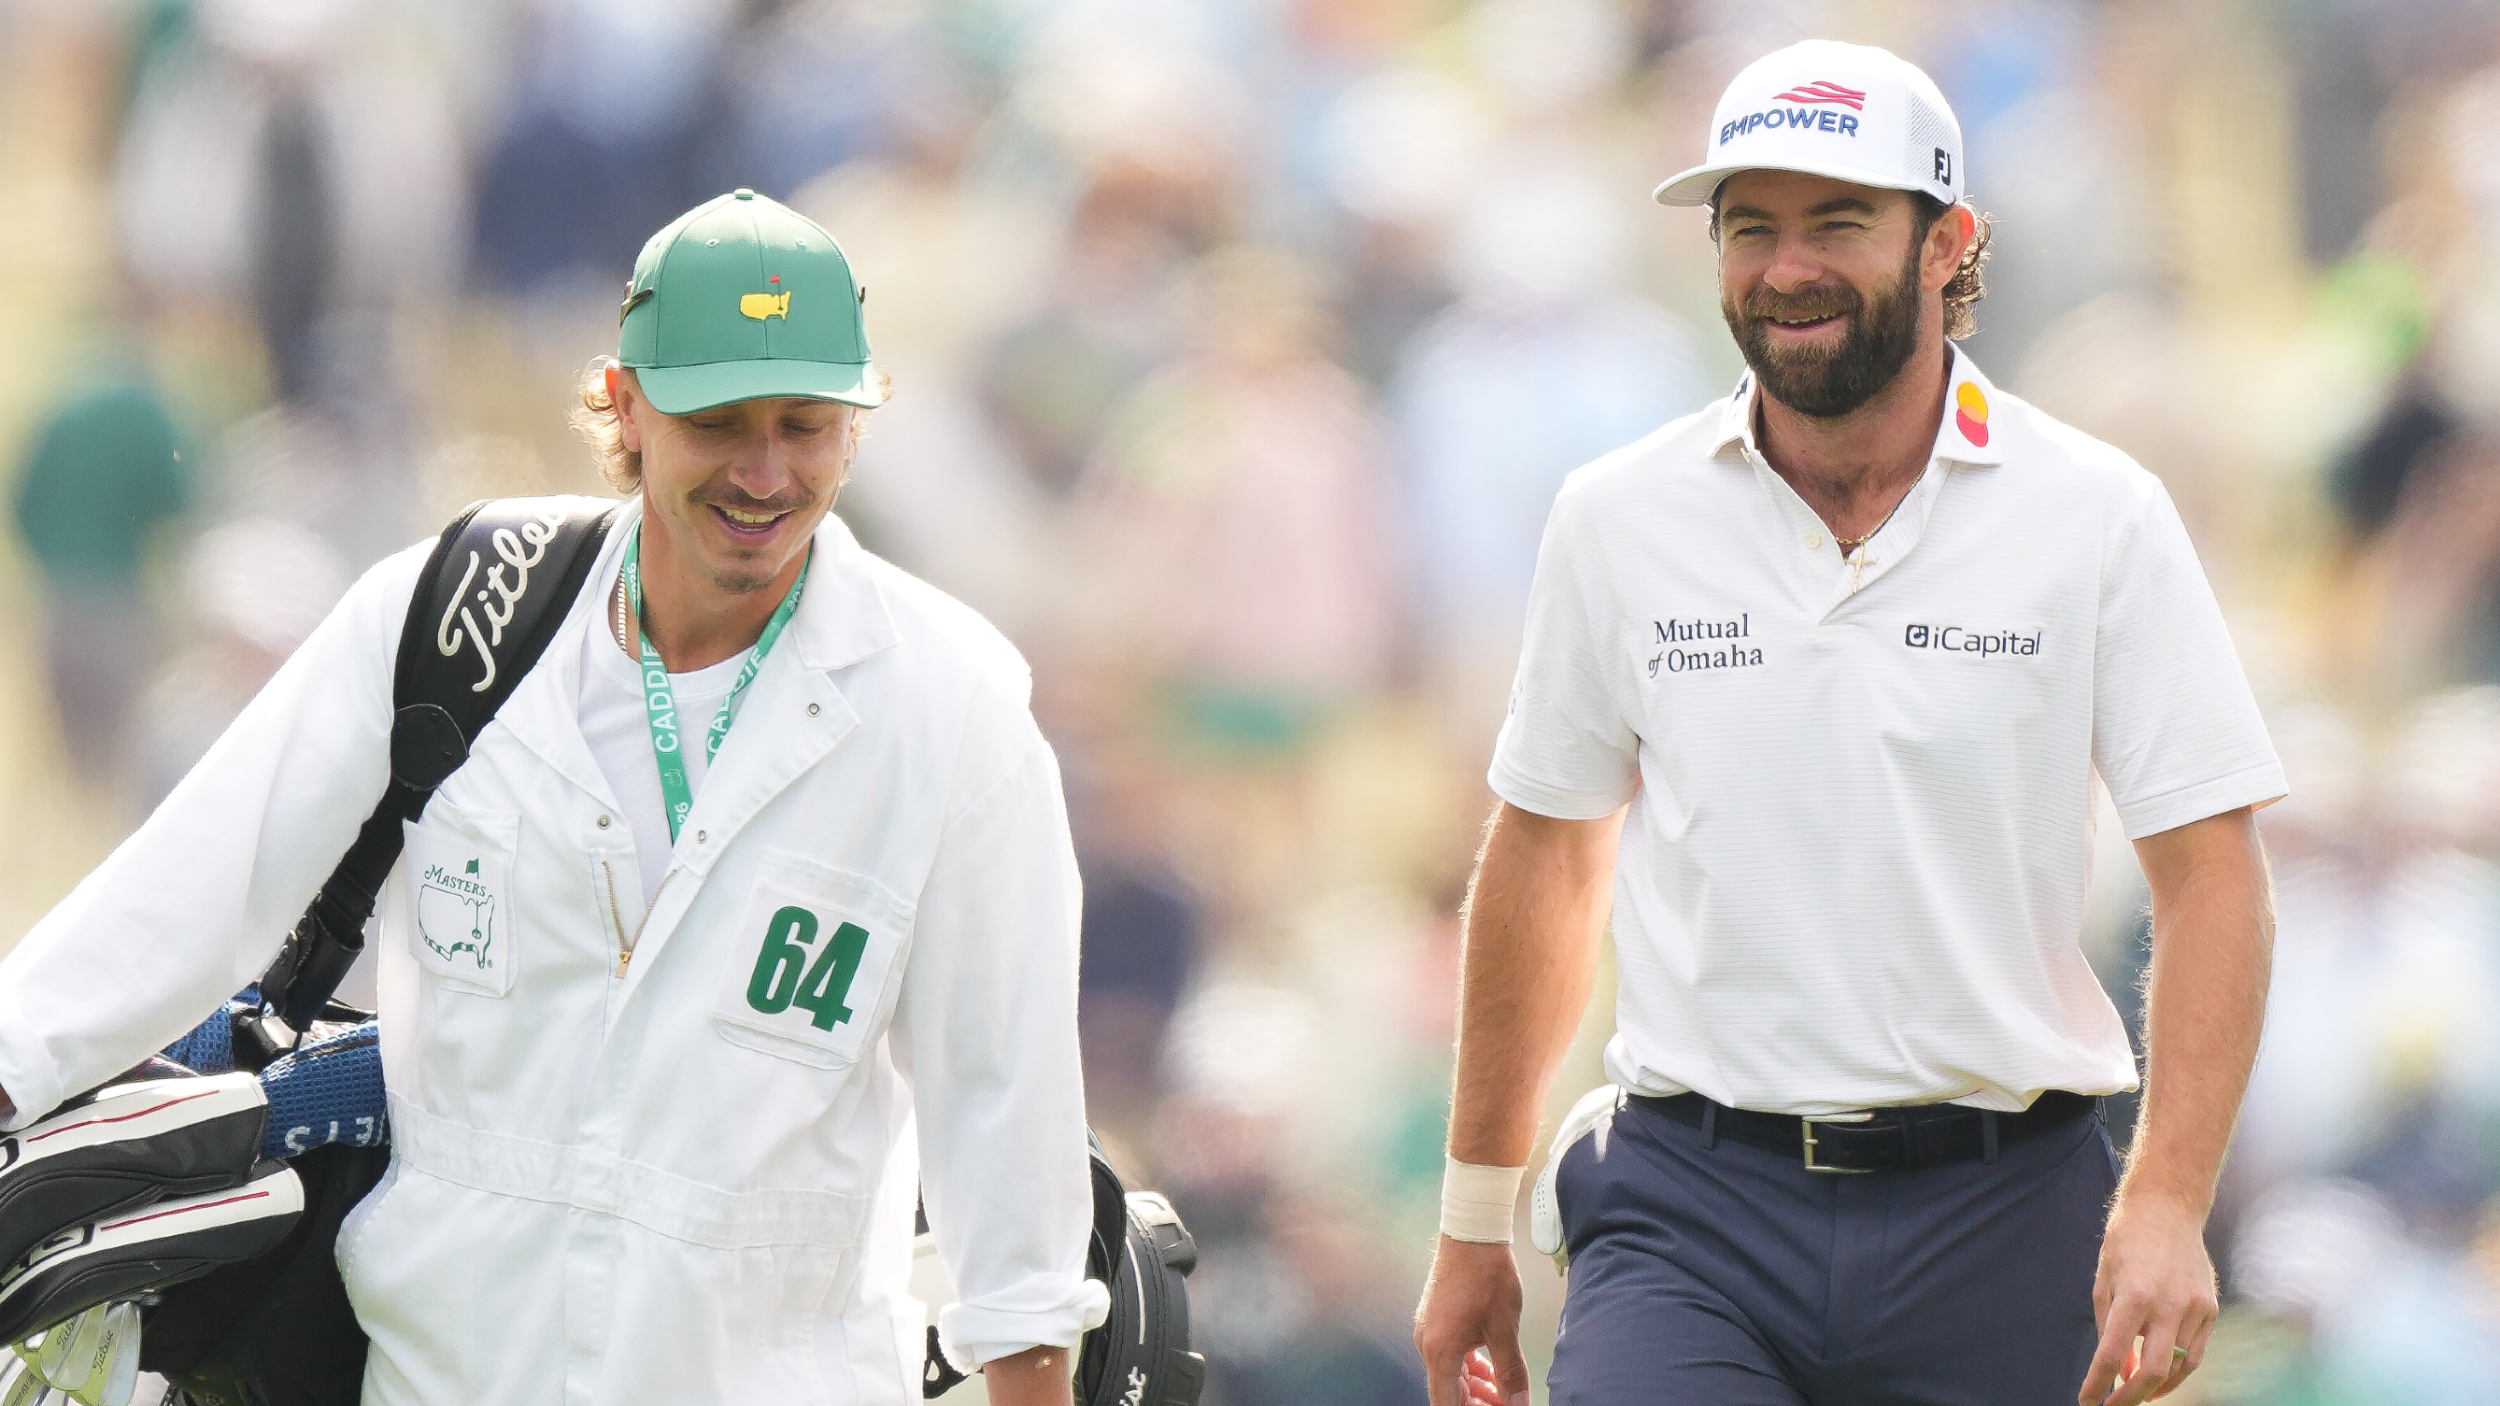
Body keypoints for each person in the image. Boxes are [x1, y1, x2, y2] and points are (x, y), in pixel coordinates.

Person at [0, 188, 1108, 1405]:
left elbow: (1006, 1110)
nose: (764, 472)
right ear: (625, 405)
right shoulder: (455, 618)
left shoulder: (954, 714)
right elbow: (182, 900)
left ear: (857, 422)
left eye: (804, 424)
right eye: (717, 422)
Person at [1411, 40, 2282, 1406]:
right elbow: (1548, 857)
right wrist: (1474, 1215)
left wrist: (2169, 1198)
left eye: (1837, 223)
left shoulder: (2095, 513)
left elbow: (2211, 873)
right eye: (1749, 227)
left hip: (2006, 1215)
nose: (1786, 267)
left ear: (1948, 245)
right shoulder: (1617, 517)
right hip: (1691, 1207)